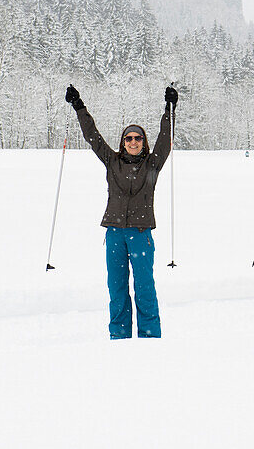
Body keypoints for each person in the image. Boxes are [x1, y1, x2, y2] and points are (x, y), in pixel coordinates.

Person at [65, 83, 177, 339]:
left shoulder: (153, 164)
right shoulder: (111, 161)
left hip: (140, 233)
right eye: (129, 138)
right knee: (116, 290)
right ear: (123, 142)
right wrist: (78, 106)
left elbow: (165, 141)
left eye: (138, 138)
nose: (133, 142)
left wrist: (169, 110)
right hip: (115, 233)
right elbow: (92, 136)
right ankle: (119, 338)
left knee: (144, 288)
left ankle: (149, 337)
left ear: (143, 142)